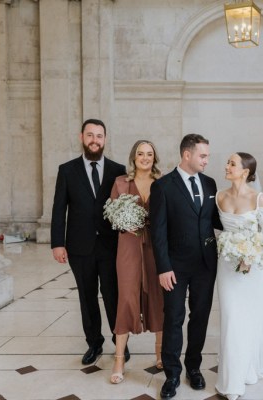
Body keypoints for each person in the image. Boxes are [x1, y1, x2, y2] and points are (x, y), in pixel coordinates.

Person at [149, 133, 222, 399]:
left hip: (205, 264)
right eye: (203, 156)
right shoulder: (163, 186)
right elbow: (157, 232)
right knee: (174, 319)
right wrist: (163, 267)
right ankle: (171, 374)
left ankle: (194, 367)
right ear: (187, 154)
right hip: (175, 267)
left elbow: (216, 220)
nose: (206, 161)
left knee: (200, 317)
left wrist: (248, 224)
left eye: (207, 156)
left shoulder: (210, 183)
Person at [50, 119, 127, 365]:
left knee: (112, 295)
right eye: (90, 135)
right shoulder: (67, 170)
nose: (95, 140)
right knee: (87, 297)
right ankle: (94, 343)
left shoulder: (118, 170)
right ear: (82, 137)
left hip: (110, 246)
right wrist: (57, 243)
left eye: (99, 136)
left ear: (105, 139)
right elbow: (58, 208)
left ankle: (120, 342)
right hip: (79, 246)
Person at [215, 153, 263, 400]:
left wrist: (250, 255)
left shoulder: (259, 198)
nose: (226, 166)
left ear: (246, 171)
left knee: (249, 320)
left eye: (232, 163)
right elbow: (214, 230)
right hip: (227, 266)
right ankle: (231, 379)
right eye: (228, 162)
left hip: (255, 269)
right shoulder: (218, 197)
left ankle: (244, 372)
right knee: (230, 319)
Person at [108, 140, 164, 384]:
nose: (144, 157)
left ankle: (160, 353)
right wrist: (122, 222)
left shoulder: (162, 183)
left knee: (158, 297)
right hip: (128, 247)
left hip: (155, 248)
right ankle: (119, 359)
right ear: (133, 157)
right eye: (140, 153)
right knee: (127, 298)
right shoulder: (121, 183)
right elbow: (111, 215)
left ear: (154, 158)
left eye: (149, 154)